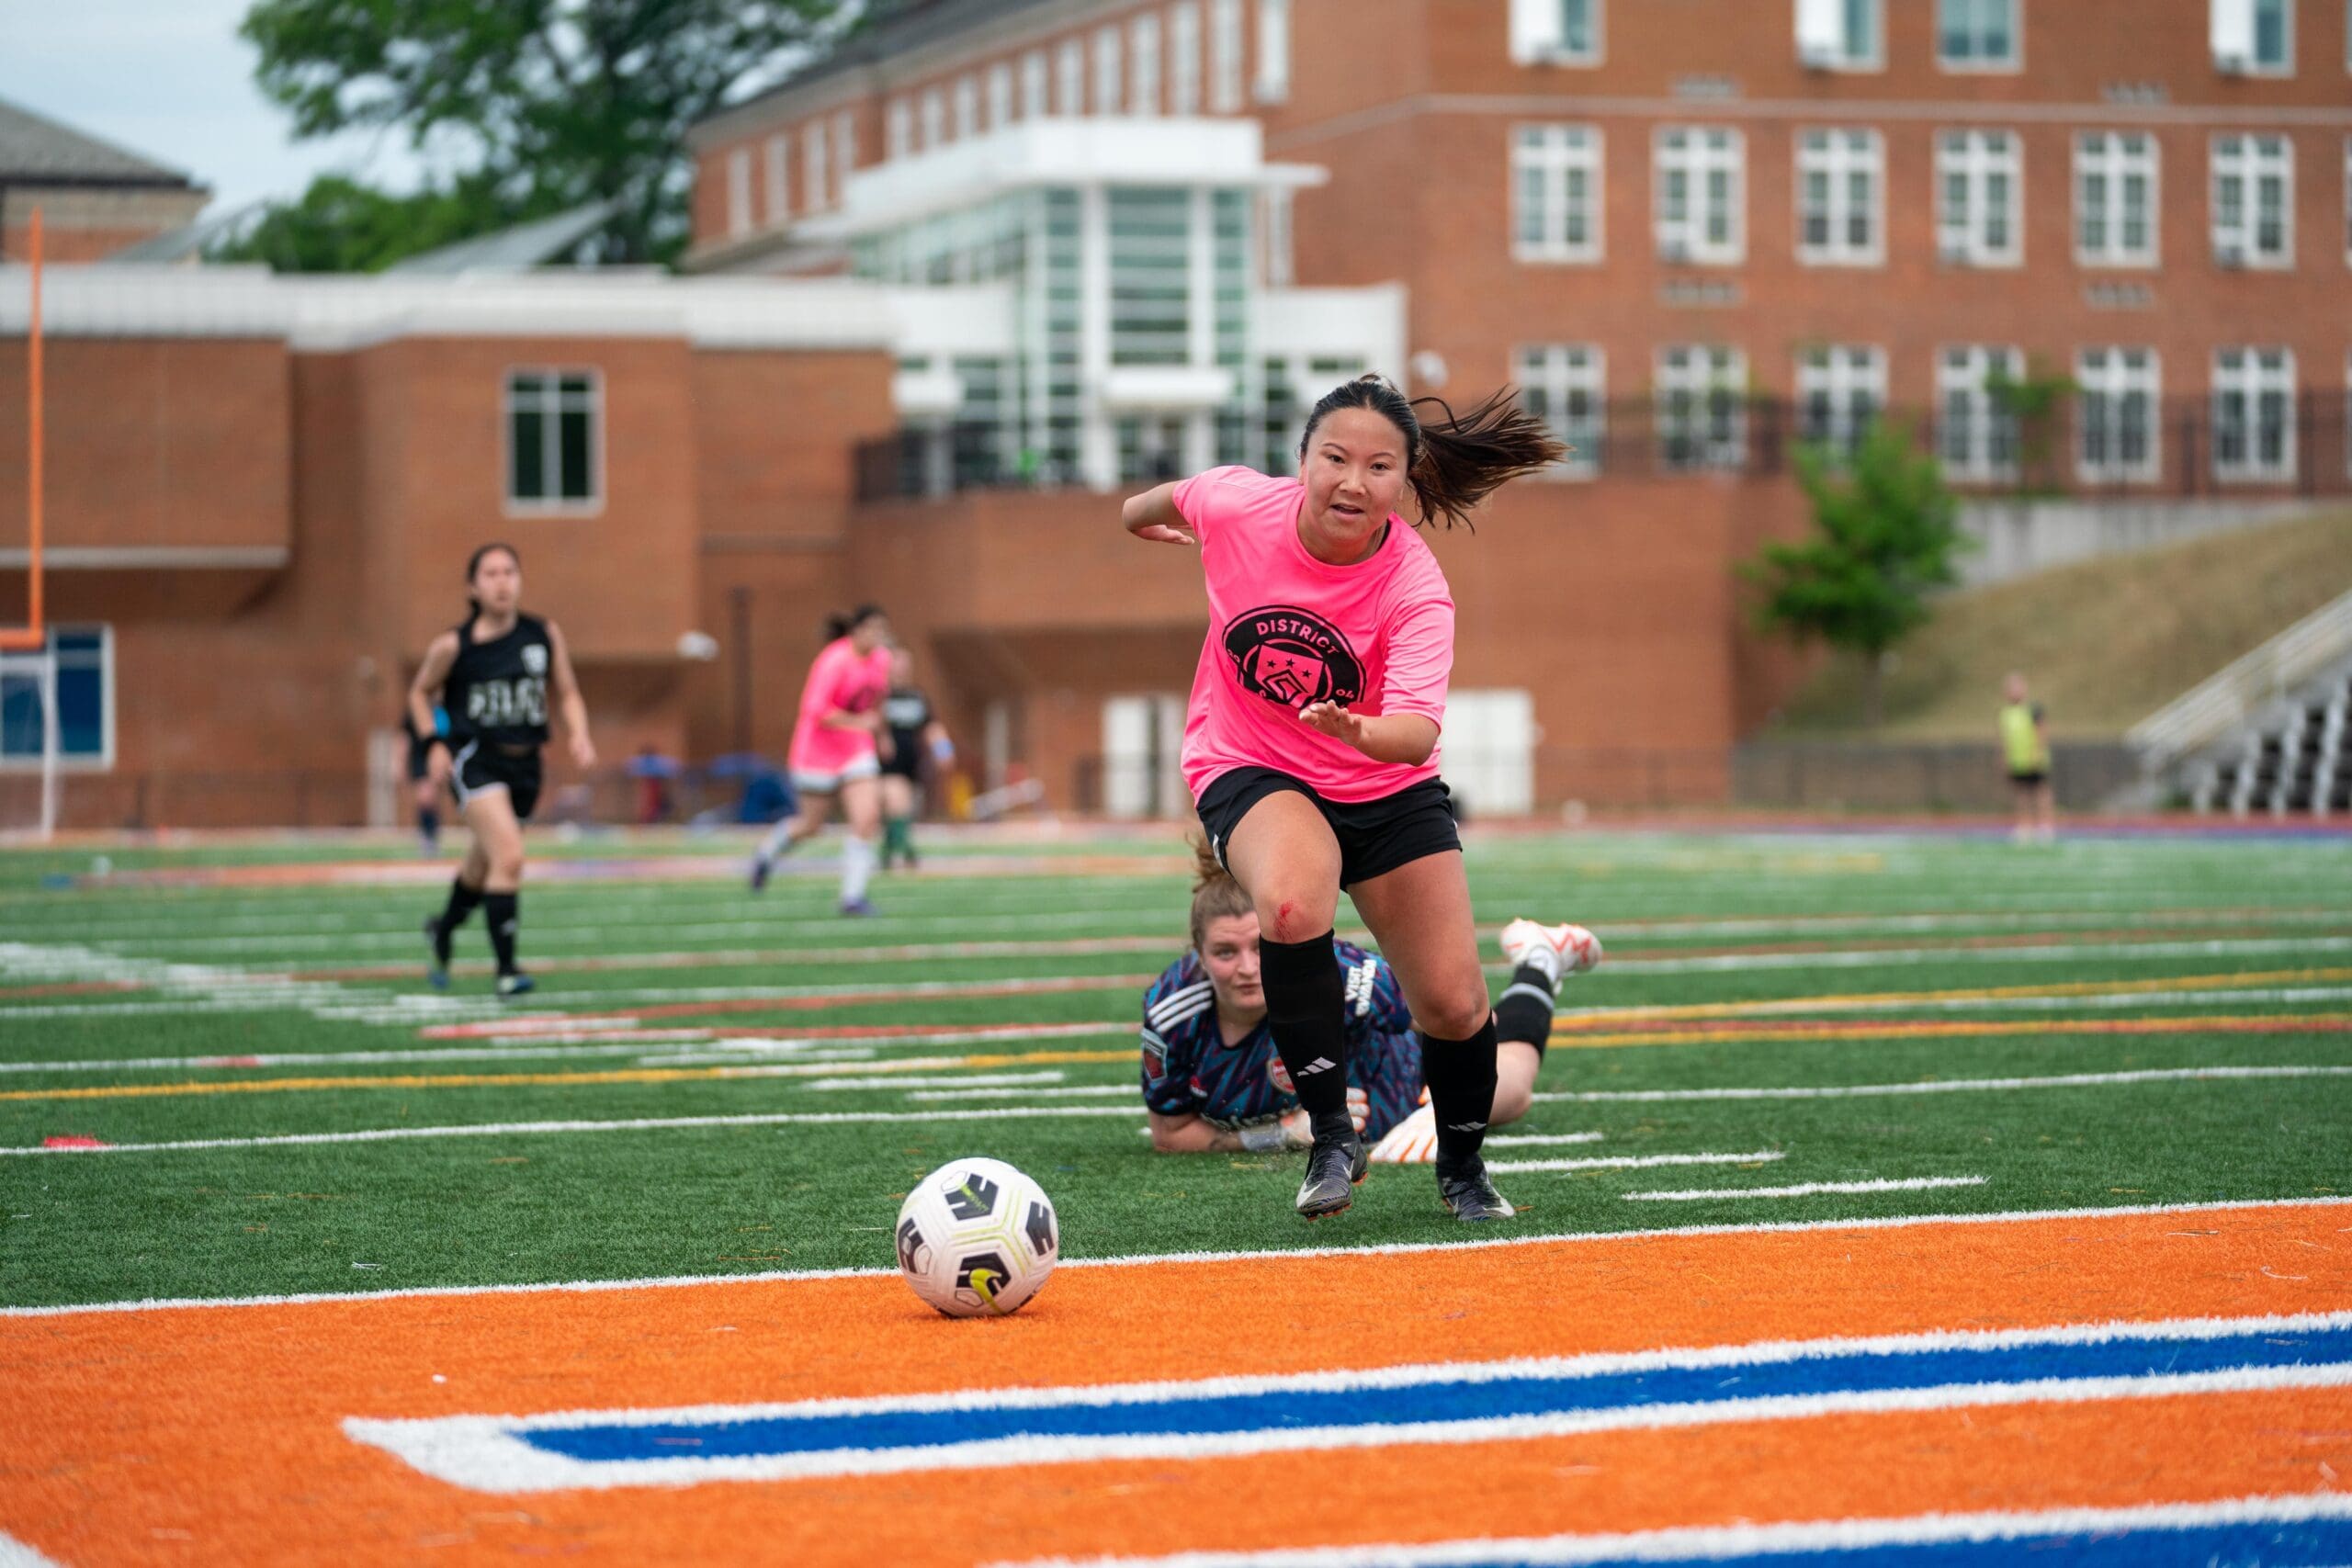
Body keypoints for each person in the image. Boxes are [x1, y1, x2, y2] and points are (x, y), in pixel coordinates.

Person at [1121, 371, 1565, 1221]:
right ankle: (1331, 1138)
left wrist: (1356, 729)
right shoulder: (1235, 504)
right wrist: (1152, 523)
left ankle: (1464, 1173)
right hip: (1250, 761)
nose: (1352, 482)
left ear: (1406, 482)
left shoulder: (1416, 585)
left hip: (1381, 778)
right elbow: (1146, 503)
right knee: (1289, 903)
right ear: (1302, 460)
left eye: (1378, 467)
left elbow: (1416, 733)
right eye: (1334, 457)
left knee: (1455, 1000)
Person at [1142, 841, 1600, 1158]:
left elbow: (1477, 1027)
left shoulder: (1336, 974)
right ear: (1198, 956)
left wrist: (1444, 1106)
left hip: (1407, 1085)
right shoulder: (1172, 1012)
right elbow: (1170, 1132)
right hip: (1339, 1127)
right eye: (1225, 952)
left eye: (1260, 947)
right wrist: (1276, 1137)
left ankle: (1541, 960)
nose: (1245, 968)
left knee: (1511, 1091)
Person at [411, 543, 595, 997]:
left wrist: (579, 733)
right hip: (476, 760)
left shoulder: (542, 634)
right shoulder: (454, 645)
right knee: (509, 856)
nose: (501, 581)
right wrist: (434, 742)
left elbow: (567, 691)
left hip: (526, 767)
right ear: (473, 586)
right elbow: (420, 693)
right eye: (490, 573)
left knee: (483, 864)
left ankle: (444, 928)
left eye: (509, 571)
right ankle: (507, 971)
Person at [749, 605, 895, 915]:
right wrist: (859, 724)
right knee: (810, 825)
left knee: (866, 817)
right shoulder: (834, 661)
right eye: (872, 629)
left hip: (855, 750)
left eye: (882, 630)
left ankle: (852, 897)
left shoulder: (882, 660)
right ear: (855, 631)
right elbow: (816, 711)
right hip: (817, 752)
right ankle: (765, 855)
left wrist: (881, 734)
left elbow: (877, 700)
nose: (878, 636)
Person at [877, 648, 955, 871]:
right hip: (883, 764)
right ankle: (903, 849)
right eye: (896, 665)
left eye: (904, 666)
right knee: (896, 803)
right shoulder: (878, 697)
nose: (901, 670)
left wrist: (944, 750)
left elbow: (932, 727)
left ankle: (892, 847)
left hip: (911, 764)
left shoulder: (917, 697)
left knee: (902, 807)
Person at [1999, 671, 2055, 843]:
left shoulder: (2033, 708)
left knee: (2041, 791)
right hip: (2017, 760)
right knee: (2021, 793)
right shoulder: (2006, 713)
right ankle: (2025, 826)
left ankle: (2046, 825)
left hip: (2034, 758)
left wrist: (2037, 752)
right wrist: (2005, 758)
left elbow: (2042, 731)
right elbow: (2005, 738)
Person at [401, 704, 447, 854]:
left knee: (432, 799)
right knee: (425, 798)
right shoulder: (413, 712)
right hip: (419, 759)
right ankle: (427, 835)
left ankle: (432, 833)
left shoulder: (442, 710)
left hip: (437, 757)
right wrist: (400, 763)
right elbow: (404, 738)